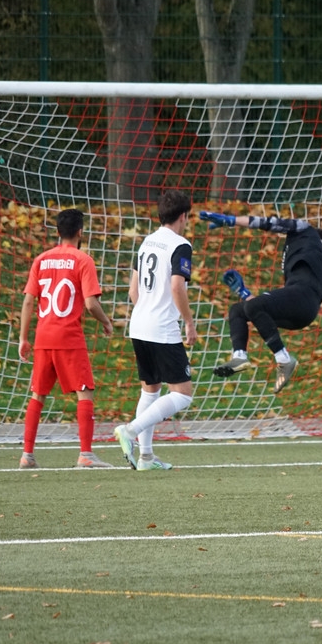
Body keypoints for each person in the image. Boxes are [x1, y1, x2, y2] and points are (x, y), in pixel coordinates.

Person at [18, 208, 115, 469]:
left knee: (38, 394)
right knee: (85, 392)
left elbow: (28, 301)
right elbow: (91, 304)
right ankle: (86, 454)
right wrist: (106, 322)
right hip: (68, 337)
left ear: (58, 232)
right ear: (80, 232)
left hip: (43, 337)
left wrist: (23, 338)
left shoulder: (41, 260)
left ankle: (27, 455)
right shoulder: (83, 260)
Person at [198, 210, 322, 394]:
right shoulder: (311, 262)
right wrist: (243, 293)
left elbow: (268, 222)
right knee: (238, 310)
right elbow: (263, 309)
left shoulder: (305, 230)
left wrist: (232, 220)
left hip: (303, 298)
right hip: (303, 311)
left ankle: (284, 360)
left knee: (254, 306)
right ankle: (239, 357)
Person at [113, 190, 199, 471]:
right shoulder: (180, 245)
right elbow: (177, 286)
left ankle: (146, 457)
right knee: (182, 394)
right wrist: (188, 322)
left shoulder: (146, 242)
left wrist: (147, 312)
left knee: (150, 392)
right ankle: (130, 431)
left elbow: (133, 290)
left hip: (139, 324)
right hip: (161, 328)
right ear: (183, 216)